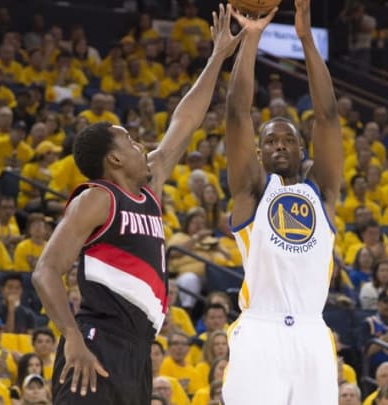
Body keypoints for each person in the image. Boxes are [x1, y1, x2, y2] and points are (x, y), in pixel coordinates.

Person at [31, 7, 244, 403]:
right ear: (113, 160)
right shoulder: (98, 198)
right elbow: (45, 271)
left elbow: (185, 122)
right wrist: (72, 338)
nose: (139, 144)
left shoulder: (150, 188)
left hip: (138, 350)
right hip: (97, 342)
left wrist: (218, 57)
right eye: (128, 140)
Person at [221, 1, 343, 403]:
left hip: (312, 331)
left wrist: (307, 39)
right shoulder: (252, 192)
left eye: (288, 138)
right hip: (261, 330)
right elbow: (238, 114)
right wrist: (251, 39)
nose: (278, 144)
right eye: (269, 140)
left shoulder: (321, 191)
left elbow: (327, 115)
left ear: (301, 149)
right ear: (259, 154)